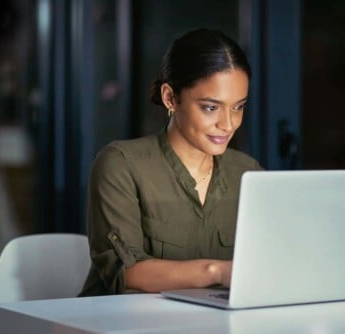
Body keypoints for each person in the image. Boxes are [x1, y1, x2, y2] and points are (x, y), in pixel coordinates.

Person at [79, 28, 263, 296]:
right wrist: (218, 272)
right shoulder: (121, 165)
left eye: (238, 107)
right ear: (170, 98)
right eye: (211, 107)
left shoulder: (248, 173)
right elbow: (126, 272)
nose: (228, 124)